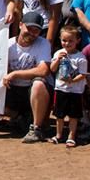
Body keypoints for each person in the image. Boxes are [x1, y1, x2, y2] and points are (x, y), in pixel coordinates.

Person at [3, 12, 53, 143]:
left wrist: (15, 73)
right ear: (20, 25)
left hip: (31, 91)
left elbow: (43, 70)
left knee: (39, 84)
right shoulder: (7, 45)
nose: (32, 33)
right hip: (13, 90)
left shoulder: (43, 44)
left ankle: (36, 129)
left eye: (36, 31)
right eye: (29, 29)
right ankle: (18, 117)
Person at [49, 25, 87, 147]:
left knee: (73, 115)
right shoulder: (58, 53)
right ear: (60, 40)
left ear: (77, 41)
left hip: (75, 91)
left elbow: (83, 74)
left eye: (71, 41)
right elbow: (52, 69)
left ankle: (71, 136)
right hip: (60, 89)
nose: (67, 43)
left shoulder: (81, 57)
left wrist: (72, 81)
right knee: (59, 114)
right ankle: (59, 135)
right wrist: (57, 60)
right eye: (64, 40)